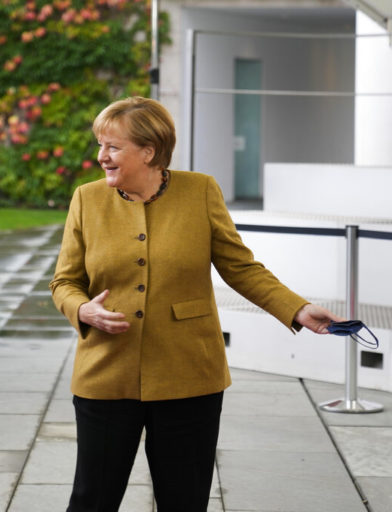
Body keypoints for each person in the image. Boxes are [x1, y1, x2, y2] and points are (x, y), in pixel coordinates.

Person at [49, 96, 342, 512]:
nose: (101, 157)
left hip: (188, 373)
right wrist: (82, 309)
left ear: (148, 151)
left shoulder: (200, 191)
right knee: (92, 500)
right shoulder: (87, 199)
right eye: (100, 145)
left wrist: (296, 308)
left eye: (112, 147)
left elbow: (240, 267)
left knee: (184, 501)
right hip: (106, 372)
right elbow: (65, 281)